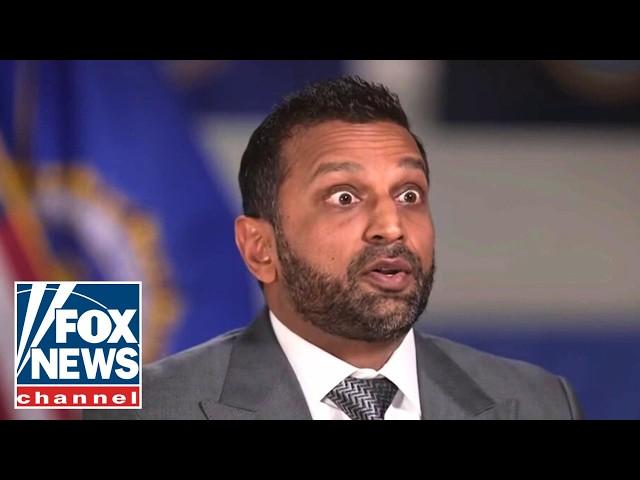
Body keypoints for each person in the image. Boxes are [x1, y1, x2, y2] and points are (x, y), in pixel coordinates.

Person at [85, 76, 583, 420]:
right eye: (344, 197)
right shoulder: (151, 409)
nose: (391, 226)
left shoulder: (539, 403)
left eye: (409, 195)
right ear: (259, 249)